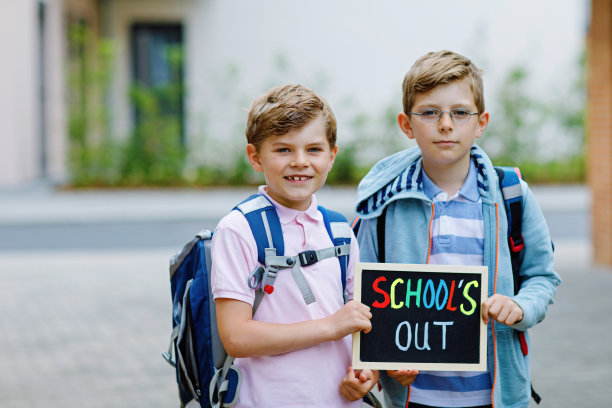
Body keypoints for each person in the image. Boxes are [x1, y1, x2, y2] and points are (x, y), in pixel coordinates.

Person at [354, 50, 561, 408]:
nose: (446, 124)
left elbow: (542, 277)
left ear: (481, 122)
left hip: (496, 394)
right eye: (430, 112)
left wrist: (520, 306)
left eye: (460, 112)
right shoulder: (381, 205)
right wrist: (384, 359)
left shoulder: (512, 195)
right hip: (413, 397)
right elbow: (360, 297)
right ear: (406, 124)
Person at [211, 83, 379, 407]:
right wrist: (329, 327)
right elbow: (236, 337)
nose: (300, 161)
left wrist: (367, 369)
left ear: (332, 156)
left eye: (314, 149)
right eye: (283, 149)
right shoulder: (239, 229)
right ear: (255, 156)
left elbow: (359, 318)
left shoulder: (341, 230)